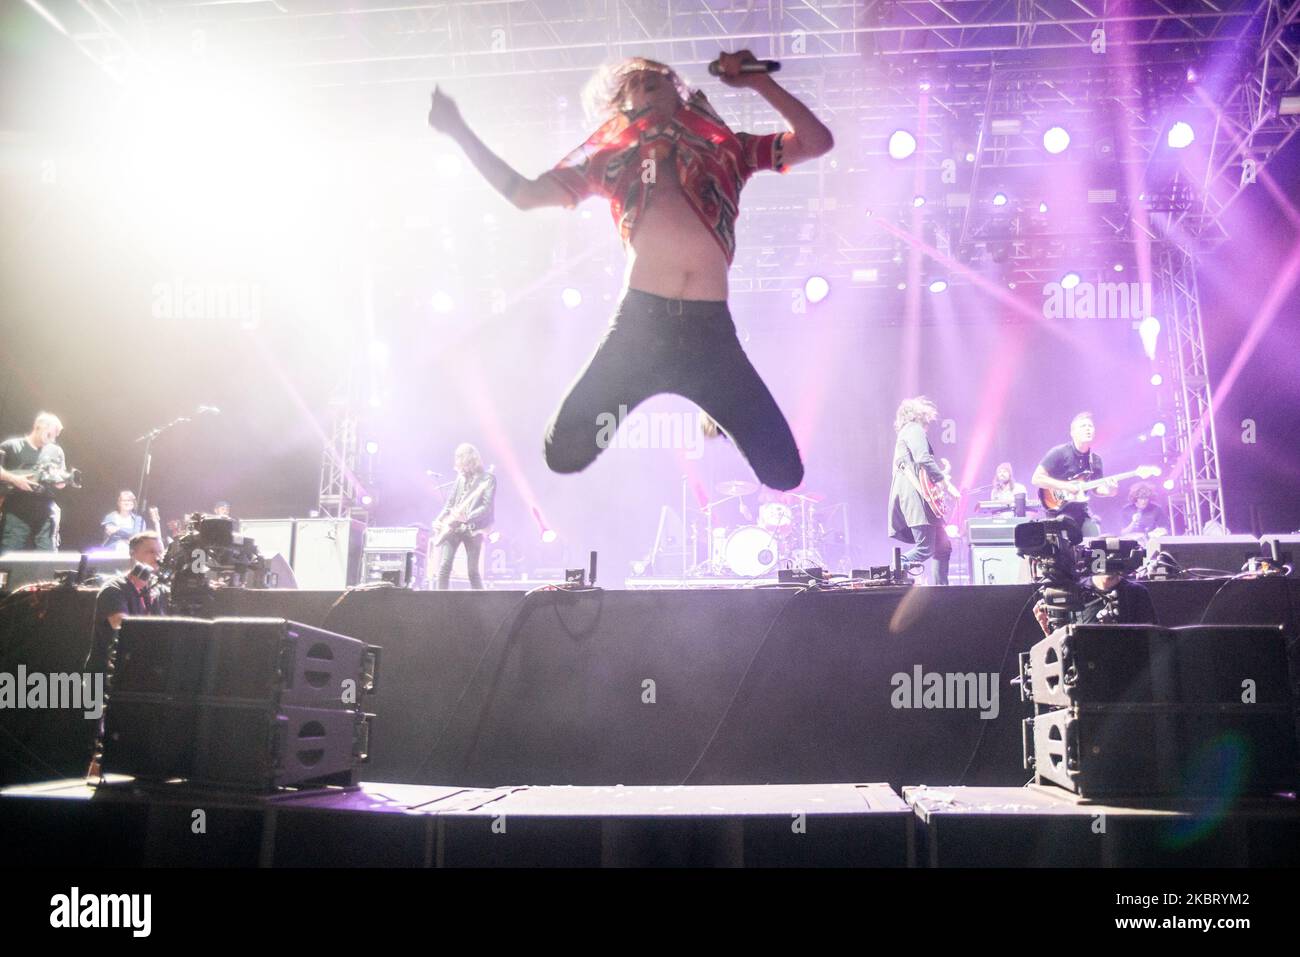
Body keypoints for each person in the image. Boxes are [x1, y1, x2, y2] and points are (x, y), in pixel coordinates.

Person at [426, 51, 833, 491]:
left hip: (709, 336)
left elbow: (816, 142)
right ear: (624, 105)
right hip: (640, 330)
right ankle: (647, 394)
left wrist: (758, 82)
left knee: (784, 474)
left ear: (678, 92)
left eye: (656, 77)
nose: (647, 82)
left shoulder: (728, 149)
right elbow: (525, 195)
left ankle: (716, 400)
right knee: (564, 454)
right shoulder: (611, 161)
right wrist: (459, 133)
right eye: (635, 82)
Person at [83, 530, 168, 777]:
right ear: (133, 555)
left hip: (136, 676)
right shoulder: (115, 588)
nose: (157, 557)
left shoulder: (158, 592)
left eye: (160, 552)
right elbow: (120, 624)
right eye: (150, 552)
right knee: (100, 741)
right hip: (106, 675)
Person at [887, 397, 959, 585]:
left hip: (917, 496)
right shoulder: (913, 428)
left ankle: (941, 591)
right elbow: (923, 458)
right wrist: (945, 483)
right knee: (925, 547)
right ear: (920, 414)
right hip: (917, 497)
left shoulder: (906, 432)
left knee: (942, 547)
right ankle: (894, 570)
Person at [1031, 411, 1117, 538]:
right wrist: (1066, 486)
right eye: (1083, 426)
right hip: (1058, 510)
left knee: (1094, 541)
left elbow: (1097, 489)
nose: (1088, 429)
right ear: (1073, 433)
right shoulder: (1059, 452)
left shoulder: (1095, 460)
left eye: (1090, 426)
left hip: (1081, 511)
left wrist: (1111, 490)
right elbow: (1036, 479)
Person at [0, 412, 67, 553]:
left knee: (47, 556)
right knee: (9, 554)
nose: (52, 439)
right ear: (38, 426)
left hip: (45, 510)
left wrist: (62, 480)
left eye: (56, 435)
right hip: (17, 509)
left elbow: (60, 482)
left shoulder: (56, 451)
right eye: (50, 434)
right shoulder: (12, 446)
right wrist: (14, 479)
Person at [433, 444, 497, 590]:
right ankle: (440, 604)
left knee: (473, 572)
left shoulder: (488, 479)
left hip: (474, 530)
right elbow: (450, 504)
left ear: (470, 460)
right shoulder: (460, 479)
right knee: (444, 568)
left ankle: (482, 605)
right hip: (453, 528)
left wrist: (467, 517)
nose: (459, 466)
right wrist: (438, 519)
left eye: (462, 461)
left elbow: (487, 507)